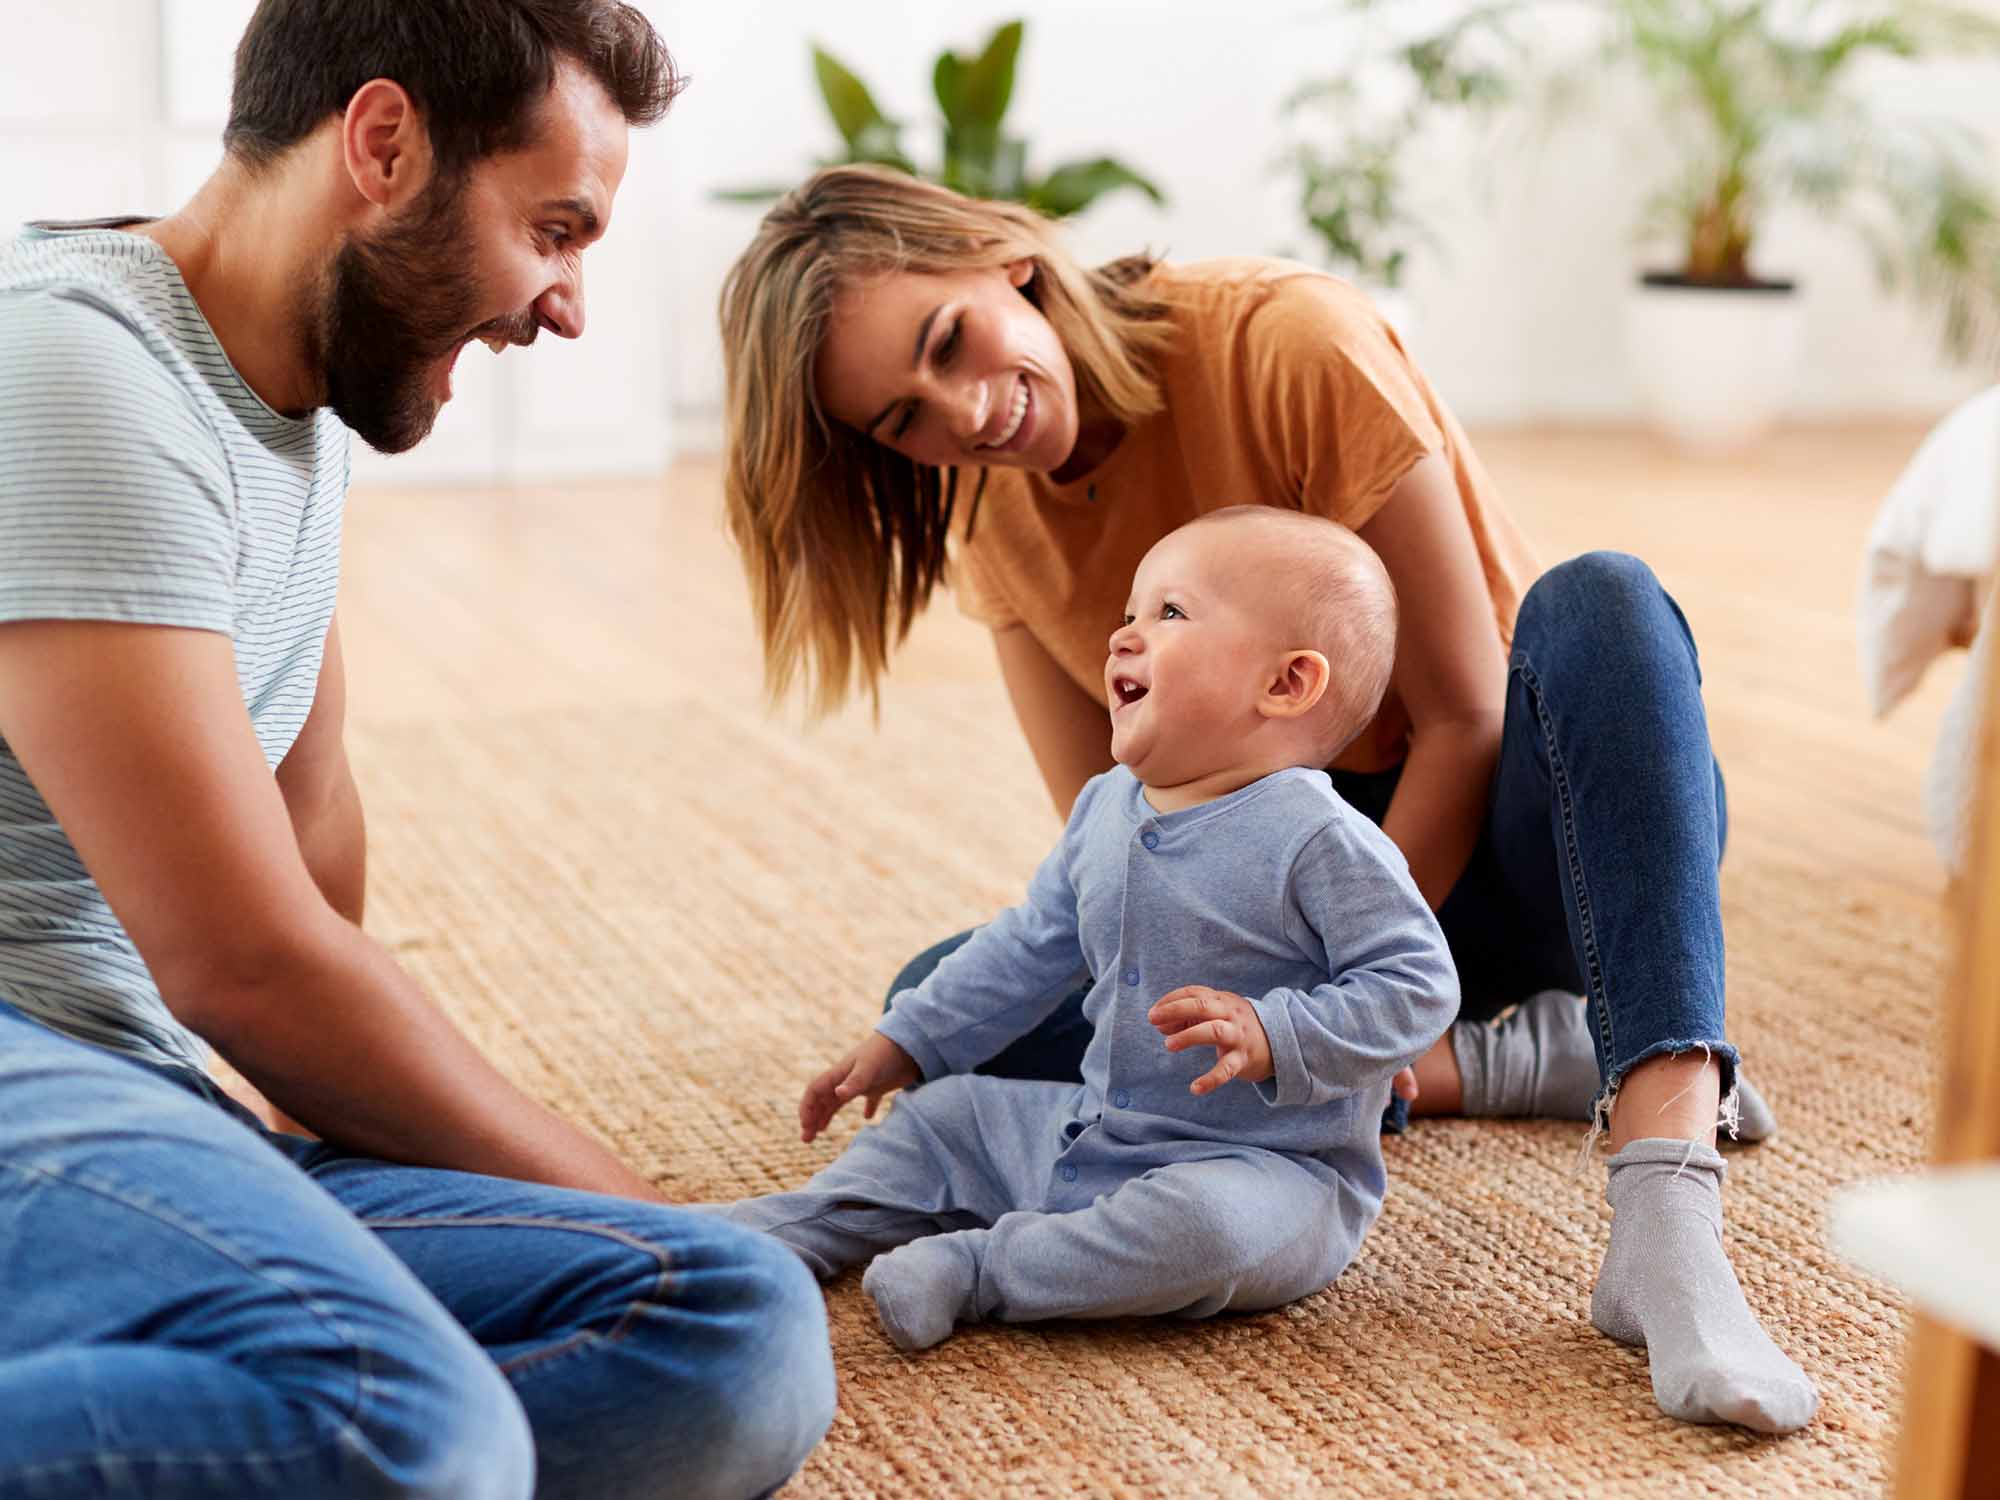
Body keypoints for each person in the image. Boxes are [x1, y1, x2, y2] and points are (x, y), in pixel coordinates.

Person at [717, 164, 1817, 1433]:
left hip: (1540, 838)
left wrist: (1333, 994)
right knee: (945, 996)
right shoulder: (994, 521)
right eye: (902, 420)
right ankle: (1518, 1057)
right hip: (1298, 950)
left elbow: (1461, 714)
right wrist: (1276, 1016)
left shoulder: (1284, 341)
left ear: (999, 258)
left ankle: (1660, 1208)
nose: (962, 416)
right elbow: (1113, 840)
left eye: (948, 343)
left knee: (1606, 599)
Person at [0, 5, 833, 1497]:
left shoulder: (278, 406)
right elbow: (247, 964)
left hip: (140, 1105)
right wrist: (643, 1193)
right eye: (555, 228)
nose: (565, 304)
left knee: (727, 1323)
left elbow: (313, 852)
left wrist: (347, 1150)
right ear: (383, 144)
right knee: (401, 1425)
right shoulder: (71, 369)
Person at [722, 509, 1458, 1351]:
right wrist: (909, 1037)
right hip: (1093, 1124)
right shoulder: (1106, 804)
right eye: (1129, 614)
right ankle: (797, 1227)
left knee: (1205, 1234)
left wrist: (1275, 1029)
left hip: (1270, 1169)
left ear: (1286, 685)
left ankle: (984, 1270)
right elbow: (1030, 944)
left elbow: (1418, 985)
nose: (1124, 638)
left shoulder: (1317, 837)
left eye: (1169, 615)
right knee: (946, 1115)